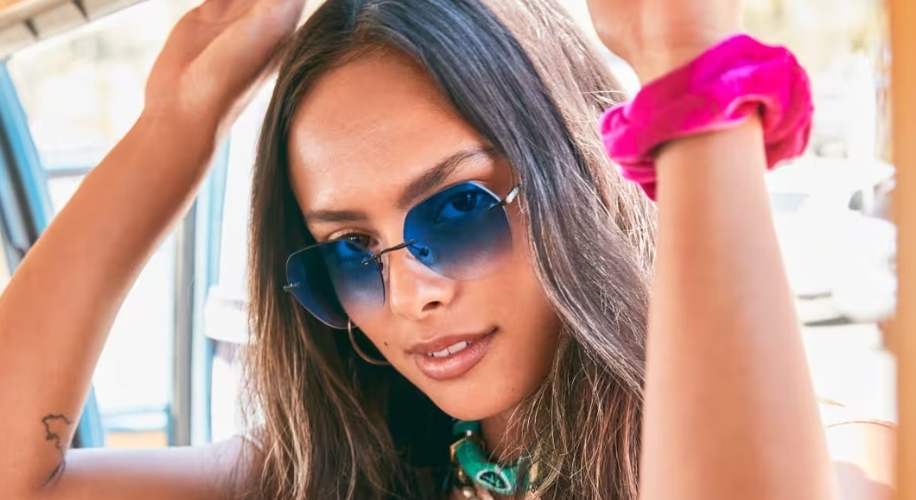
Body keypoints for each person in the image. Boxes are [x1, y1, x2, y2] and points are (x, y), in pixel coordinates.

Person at [0, 0, 895, 499]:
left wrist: (687, 62)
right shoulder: (321, 475)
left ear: (577, 179)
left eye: (458, 210)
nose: (409, 292)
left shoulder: (839, 459)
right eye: (351, 252)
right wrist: (174, 125)